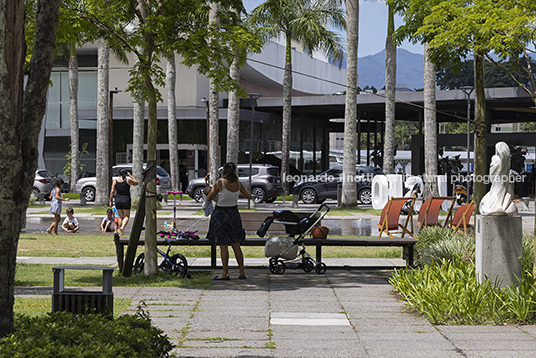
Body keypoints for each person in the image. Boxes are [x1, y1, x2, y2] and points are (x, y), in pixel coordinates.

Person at [206, 162, 252, 280]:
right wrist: (237, 194)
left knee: (223, 245)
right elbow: (249, 196)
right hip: (234, 215)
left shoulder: (219, 183)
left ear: (223, 172)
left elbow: (209, 197)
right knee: (236, 244)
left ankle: (225, 273)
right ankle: (241, 272)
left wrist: (210, 191)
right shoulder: (238, 185)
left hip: (220, 215)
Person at [109, 169, 138, 235]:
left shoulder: (115, 181)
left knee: (120, 216)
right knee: (126, 216)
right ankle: (122, 227)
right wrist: (130, 176)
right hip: (126, 200)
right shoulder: (127, 180)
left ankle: (120, 230)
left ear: (119, 174)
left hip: (118, 200)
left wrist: (110, 200)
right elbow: (136, 182)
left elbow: (112, 191)